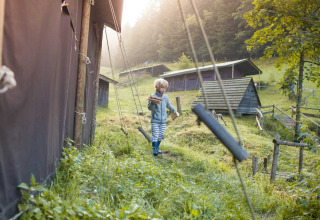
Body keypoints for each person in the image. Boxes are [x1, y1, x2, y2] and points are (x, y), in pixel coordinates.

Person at [148, 79, 179, 156]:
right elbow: (150, 108)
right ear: (157, 87)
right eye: (162, 87)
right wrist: (152, 103)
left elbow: (168, 105)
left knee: (161, 135)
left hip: (163, 120)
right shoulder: (153, 97)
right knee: (155, 135)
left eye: (165, 88)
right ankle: (155, 150)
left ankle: (157, 148)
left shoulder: (165, 97)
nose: (164, 89)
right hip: (155, 120)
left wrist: (174, 111)